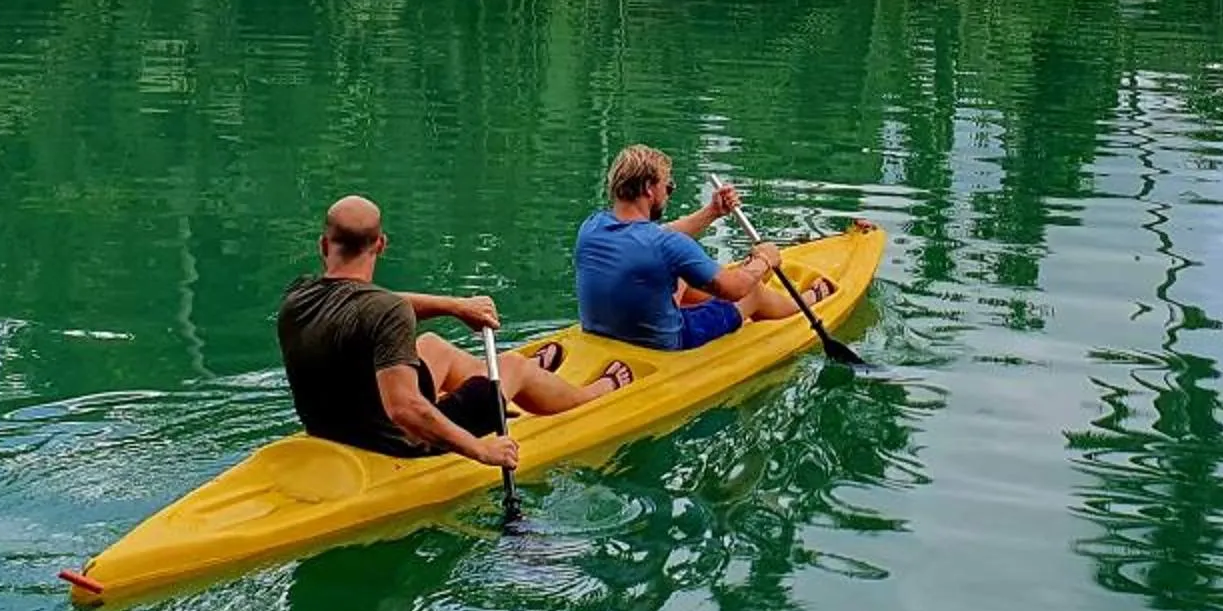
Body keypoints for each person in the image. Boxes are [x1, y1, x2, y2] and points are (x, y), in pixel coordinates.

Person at [278, 196, 632, 463]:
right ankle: (592, 393)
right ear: (381, 244)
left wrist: (455, 306)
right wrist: (482, 450)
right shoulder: (386, 311)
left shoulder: (298, 296)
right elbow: (405, 410)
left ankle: (519, 383)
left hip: (337, 426)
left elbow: (372, 303)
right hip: (401, 443)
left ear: (323, 245)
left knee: (432, 345)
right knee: (513, 366)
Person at [576, 146, 837, 352]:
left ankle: (732, 286)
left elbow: (654, 237)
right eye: (668, 187)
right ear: (648, 189)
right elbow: (735, 289)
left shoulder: (592, 227)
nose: (668, 194)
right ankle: (809, 300)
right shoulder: (668, 246)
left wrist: (712, 212)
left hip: (605, 331)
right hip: (666, 341)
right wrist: (764, 260)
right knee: (753, 291)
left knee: (679, 276)